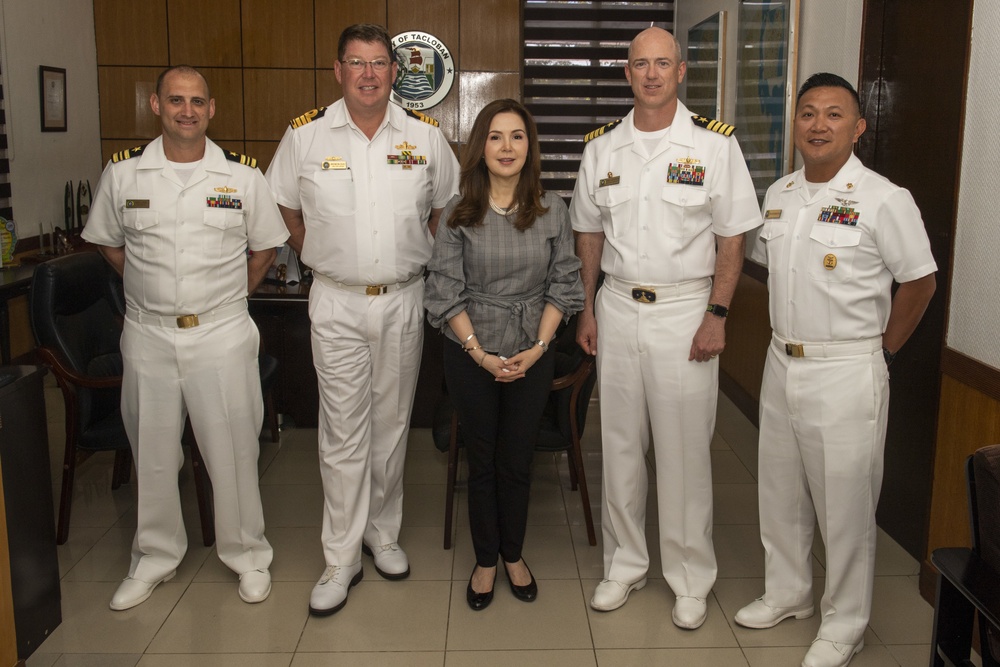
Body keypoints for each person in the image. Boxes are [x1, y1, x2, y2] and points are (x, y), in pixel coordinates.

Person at [736, 73, 936, 667]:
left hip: (848, 367)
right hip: (782, 359)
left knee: (845, 502)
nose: (818, 124)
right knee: (778, 487)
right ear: (794, 124)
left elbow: (920, 281)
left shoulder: (883, 198)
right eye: (807, 113)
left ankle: (844, 621)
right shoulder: (779, 193)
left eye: (833, 114)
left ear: (858, 126)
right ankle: (789, 591)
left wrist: (884, 351)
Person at [569, 27, 761, 629]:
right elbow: (588, 235)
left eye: (663, 64)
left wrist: (717, 314)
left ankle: (688, 577)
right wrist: (588, 306)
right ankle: (623, 565)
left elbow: (733, 237)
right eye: (639, 65)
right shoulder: (602, 149)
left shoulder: (713, 146)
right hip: (619, 306)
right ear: (626, 74)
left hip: (686, 312)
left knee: (683, 453)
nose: (651, 74)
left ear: (681, 72)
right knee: (620, 446)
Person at [265, 23, 460, 616]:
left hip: (403, 296)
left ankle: (382, 533)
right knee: (343, 429)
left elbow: (446, 204)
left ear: (395, 72)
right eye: (358, 62)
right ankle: (340, 556)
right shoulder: (305, 136)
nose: (370, 73)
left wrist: (417, 250)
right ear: (338, 70)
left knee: (393, 423)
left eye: (380, 63)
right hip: (337, 300)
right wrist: (313, 250)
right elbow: (284, 206)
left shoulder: (424, 137)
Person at [83, 65, 288, 610]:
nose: (187, 110)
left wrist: (227, 297)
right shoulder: (124, 174)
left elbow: (266, 246)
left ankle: (247, 554)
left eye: (197, 101)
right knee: (151, 450)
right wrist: (148, 291)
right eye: (176, 100)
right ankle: (154, 557)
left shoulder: (241, 177)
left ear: (212, 108)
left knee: (233, 451)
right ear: (156, 105)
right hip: (147, 333)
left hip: (220, 333)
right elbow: (108, 242)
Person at [425, 99, 584, 611]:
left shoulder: (551, 207)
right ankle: (486, 560)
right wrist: (481, 355)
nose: (507, 147)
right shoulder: (457, 211)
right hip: (470, 351)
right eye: (496, 137)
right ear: (480, 147)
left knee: (517, 460)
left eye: (518, 137)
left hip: (532, 350)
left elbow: (564, 284)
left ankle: (514, 555)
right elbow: (445, 289)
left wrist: (538, 349)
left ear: (530, 147)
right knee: (484, 461)